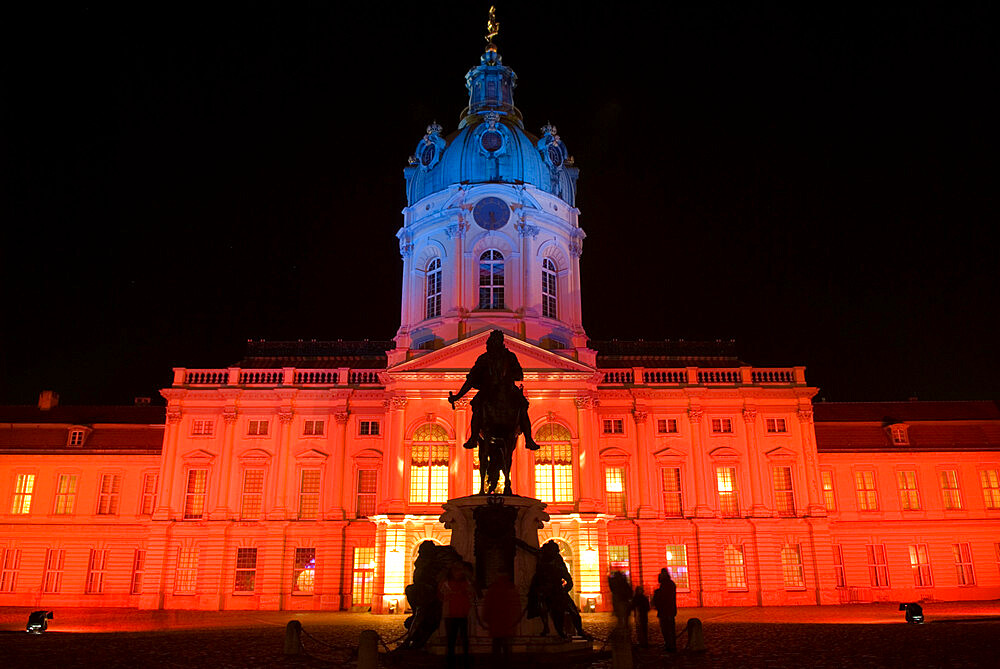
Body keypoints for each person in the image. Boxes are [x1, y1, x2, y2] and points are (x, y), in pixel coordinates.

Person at [449, 330, 540, 451]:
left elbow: (519, 374)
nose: (490, 345)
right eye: (490, 343)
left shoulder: (510, 357)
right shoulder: (484, 358)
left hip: (507, 387)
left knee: (523, 405)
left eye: (493, 342)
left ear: (499, 343)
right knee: (477, 406)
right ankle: (473, 437)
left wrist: (507, 376)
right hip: (489, 389)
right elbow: (471, 379)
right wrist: (458, 396)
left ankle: (528, 439)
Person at [439, 562, 476, 669]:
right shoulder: (448, 583)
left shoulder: (464, 583)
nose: (458, 573)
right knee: (453, 640)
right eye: (457, 571)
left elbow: (472, 593)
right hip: (452, 614)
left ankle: (461, 660)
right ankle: (454, 660)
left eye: (459, 571)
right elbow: (440, 595)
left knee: (461, 639)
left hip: (461, 614)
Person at [482, 568, 521, 666]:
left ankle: (496, 663)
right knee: (506, 645)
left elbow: (488, 604)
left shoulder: (493, 588)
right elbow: (516, 605)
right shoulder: (511, 588)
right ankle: (507, 663)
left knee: (496, 644)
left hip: (496, 620)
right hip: (507, 620)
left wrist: (486, 616)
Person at [651, 568, 677, 652]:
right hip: (670, 610)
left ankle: (670, 645)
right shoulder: (670, 584)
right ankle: (671, 644)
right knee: (670, 629)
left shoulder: (665, 585)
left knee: (666, 629)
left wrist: (657, 594)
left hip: (665, 610)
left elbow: (664, 598)